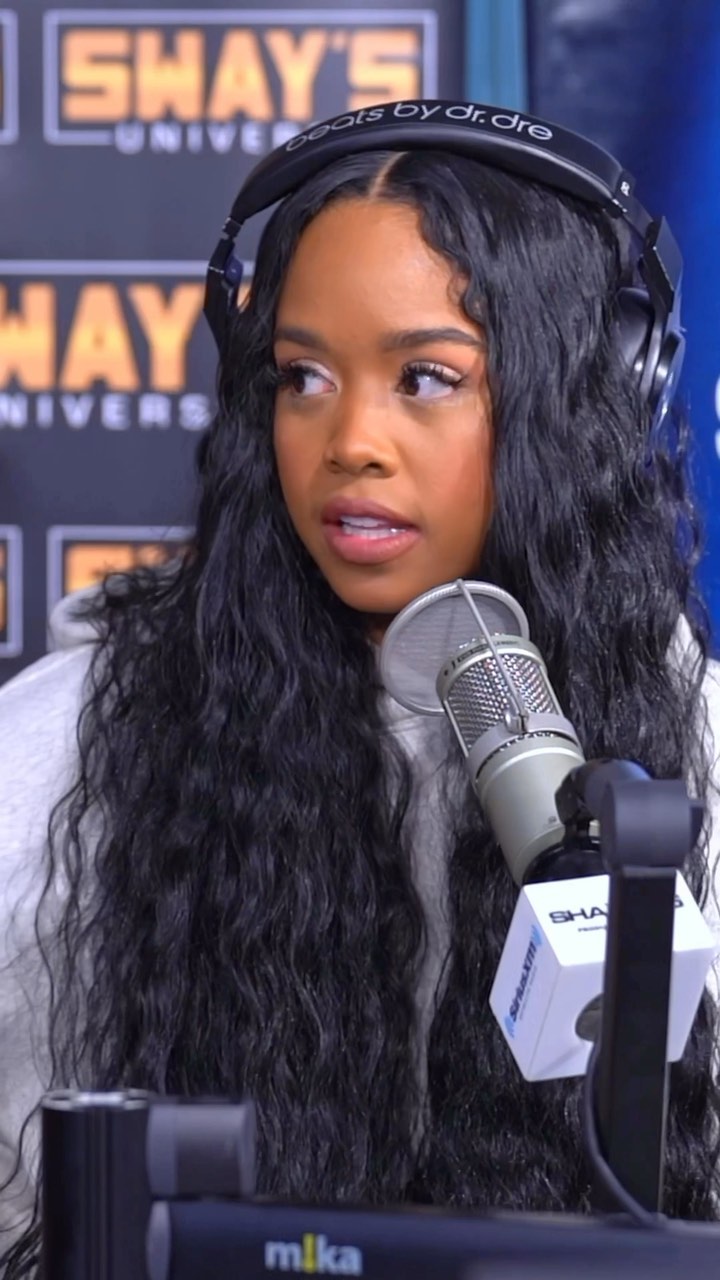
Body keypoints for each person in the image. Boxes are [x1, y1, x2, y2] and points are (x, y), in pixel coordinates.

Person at [2, 100, 720, 1275]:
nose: (349, 440)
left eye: (426, 376)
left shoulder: (700, 751)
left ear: (587, 393)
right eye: (302, 376)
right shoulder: (66, 746)